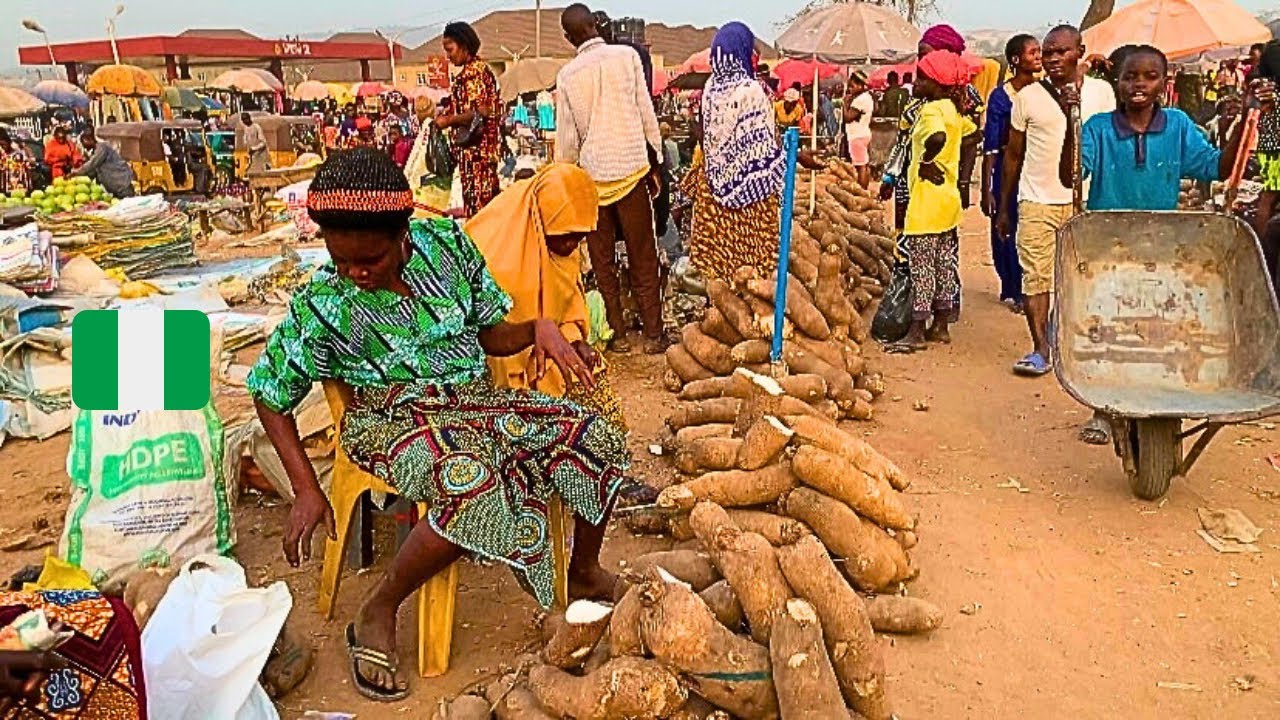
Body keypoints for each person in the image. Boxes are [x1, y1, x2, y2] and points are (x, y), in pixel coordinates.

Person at [246, 149, 627, 701]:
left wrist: (536, 329)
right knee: (471, 481)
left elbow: (489, 333)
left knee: (593, 435)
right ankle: (378, 608)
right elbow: (268, 393)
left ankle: (584, 568)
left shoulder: (448, 249)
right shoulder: (323, 301)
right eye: (341, 258)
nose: (355, 272)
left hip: (475, 404)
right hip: (389, 420)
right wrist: (306, 488)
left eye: (370, 260)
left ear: (404, 233)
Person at [1058, 45, 1271, 445]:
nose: (1139, 84)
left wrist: (1246, 116)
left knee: (1159, 326)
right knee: (1107, 326)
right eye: (1130, 77)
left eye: (1149, 76)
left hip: (1163, 248)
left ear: (1163, 81)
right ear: (1116, 82)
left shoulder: (1177, 126)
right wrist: (1072, 120)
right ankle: (1104, 407)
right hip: (1109, 247)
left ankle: (1162, 390)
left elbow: (1217, 168)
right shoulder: (1099, 128)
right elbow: (1070, 175)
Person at [467, 163, 628, 431]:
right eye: (565, 237)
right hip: (500, 368)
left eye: (579, 238)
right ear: (541, 222)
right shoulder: (497, 256)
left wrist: (576, 341)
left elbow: (566, 305)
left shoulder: (561, 242)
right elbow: (490, 337)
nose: (571, 246)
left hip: (544, 352)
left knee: (602, 416)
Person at [998, 25, 1115, 384]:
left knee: (1084, 278)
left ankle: (1076, 342)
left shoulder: (1103, 93)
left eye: (1060, 52)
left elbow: (1110, 146)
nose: (1051, 59)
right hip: (1036, 201)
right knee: (1036, 277)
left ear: (1080, 51)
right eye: (1047, 53)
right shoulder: (1028, 97)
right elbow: (1013, 155)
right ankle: (1041, 349)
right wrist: (1004, 206)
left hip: (1086, 203)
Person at [555, 3, 666, 354]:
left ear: (569, 36)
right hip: (631, 168)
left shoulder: (568, 75)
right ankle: (653, 333)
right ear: (595, 24)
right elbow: (645, 112)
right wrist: (657, 161)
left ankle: (617, 334)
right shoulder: (627, 57)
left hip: (592, 179)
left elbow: (567, 139)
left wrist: (565, 177)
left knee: (603, 261)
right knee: (642, 255)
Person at [682, 22, 823, 286]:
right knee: (752, 272)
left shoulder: (711, 87)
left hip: (712, 191)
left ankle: (720, 314)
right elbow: (762, 152)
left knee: (720, 271)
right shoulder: (751, 90)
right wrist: (794, 157)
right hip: (750, 201)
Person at [889, 51, 969, 352]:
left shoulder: (932, 109)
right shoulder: (953, 109)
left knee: (921, 266)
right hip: (948, 200)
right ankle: (942, 325)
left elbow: (936, 137)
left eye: (922, 78)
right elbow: (972, 136)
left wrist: (926, 160)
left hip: (926, 201)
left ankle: (917, 330)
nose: (916, 83)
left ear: (936, 83)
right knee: (943, 264)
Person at [981, 34, 1041, 311]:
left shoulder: (1044, 92)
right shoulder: (1001, 97)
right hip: (1007, 169)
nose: (1039, 57)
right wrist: (986, 189)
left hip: (1036, 168)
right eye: (1033, 52)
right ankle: (1014, 288)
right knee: (1005, 227)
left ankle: (1031, 288)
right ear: (1016, 60)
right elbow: (991, 147)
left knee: (1031, 229)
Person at [434, 22, 501, 217]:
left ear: (464, 46)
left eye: (450, 50)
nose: (448, 56)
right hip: (477, 156)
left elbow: (480, 112)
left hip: (478, 156)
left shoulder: (473, 74)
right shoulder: (474, 72)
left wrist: (449, 121)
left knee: (480, 212)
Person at [1254, 41, 1280, 239]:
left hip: (1268, 149)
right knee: (1269, 198)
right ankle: (1263, 247)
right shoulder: (1273, 92)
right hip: (1276, 151)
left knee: (1268, 197)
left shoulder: (1265, 87)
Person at [71, 131, 136, 198]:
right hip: (114, 187)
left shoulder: (102, 148)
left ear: (88, 139)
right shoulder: (95, 152)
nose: (84, 146)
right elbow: (93, 172)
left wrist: (75, 172)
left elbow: (92, 164)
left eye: (83, 143)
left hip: (121, 184)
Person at [843, 71, 876, 187]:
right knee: (864, 164)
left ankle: (862, 190)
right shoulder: (866, 98)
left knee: (860, 166)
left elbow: (848, 117)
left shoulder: (861, 100)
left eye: (852, 86)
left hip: (857, 136)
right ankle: (864, 189)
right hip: (863, 133)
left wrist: (845, 104)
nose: (850, 89)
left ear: (860, 86)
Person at [0, 129, 30, 195]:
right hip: (3, 187)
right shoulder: (2, 155)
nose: (1, 147)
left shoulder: (18, 155)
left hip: (16, 187)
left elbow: (25, 169)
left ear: (9, 143)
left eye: (3, 144)